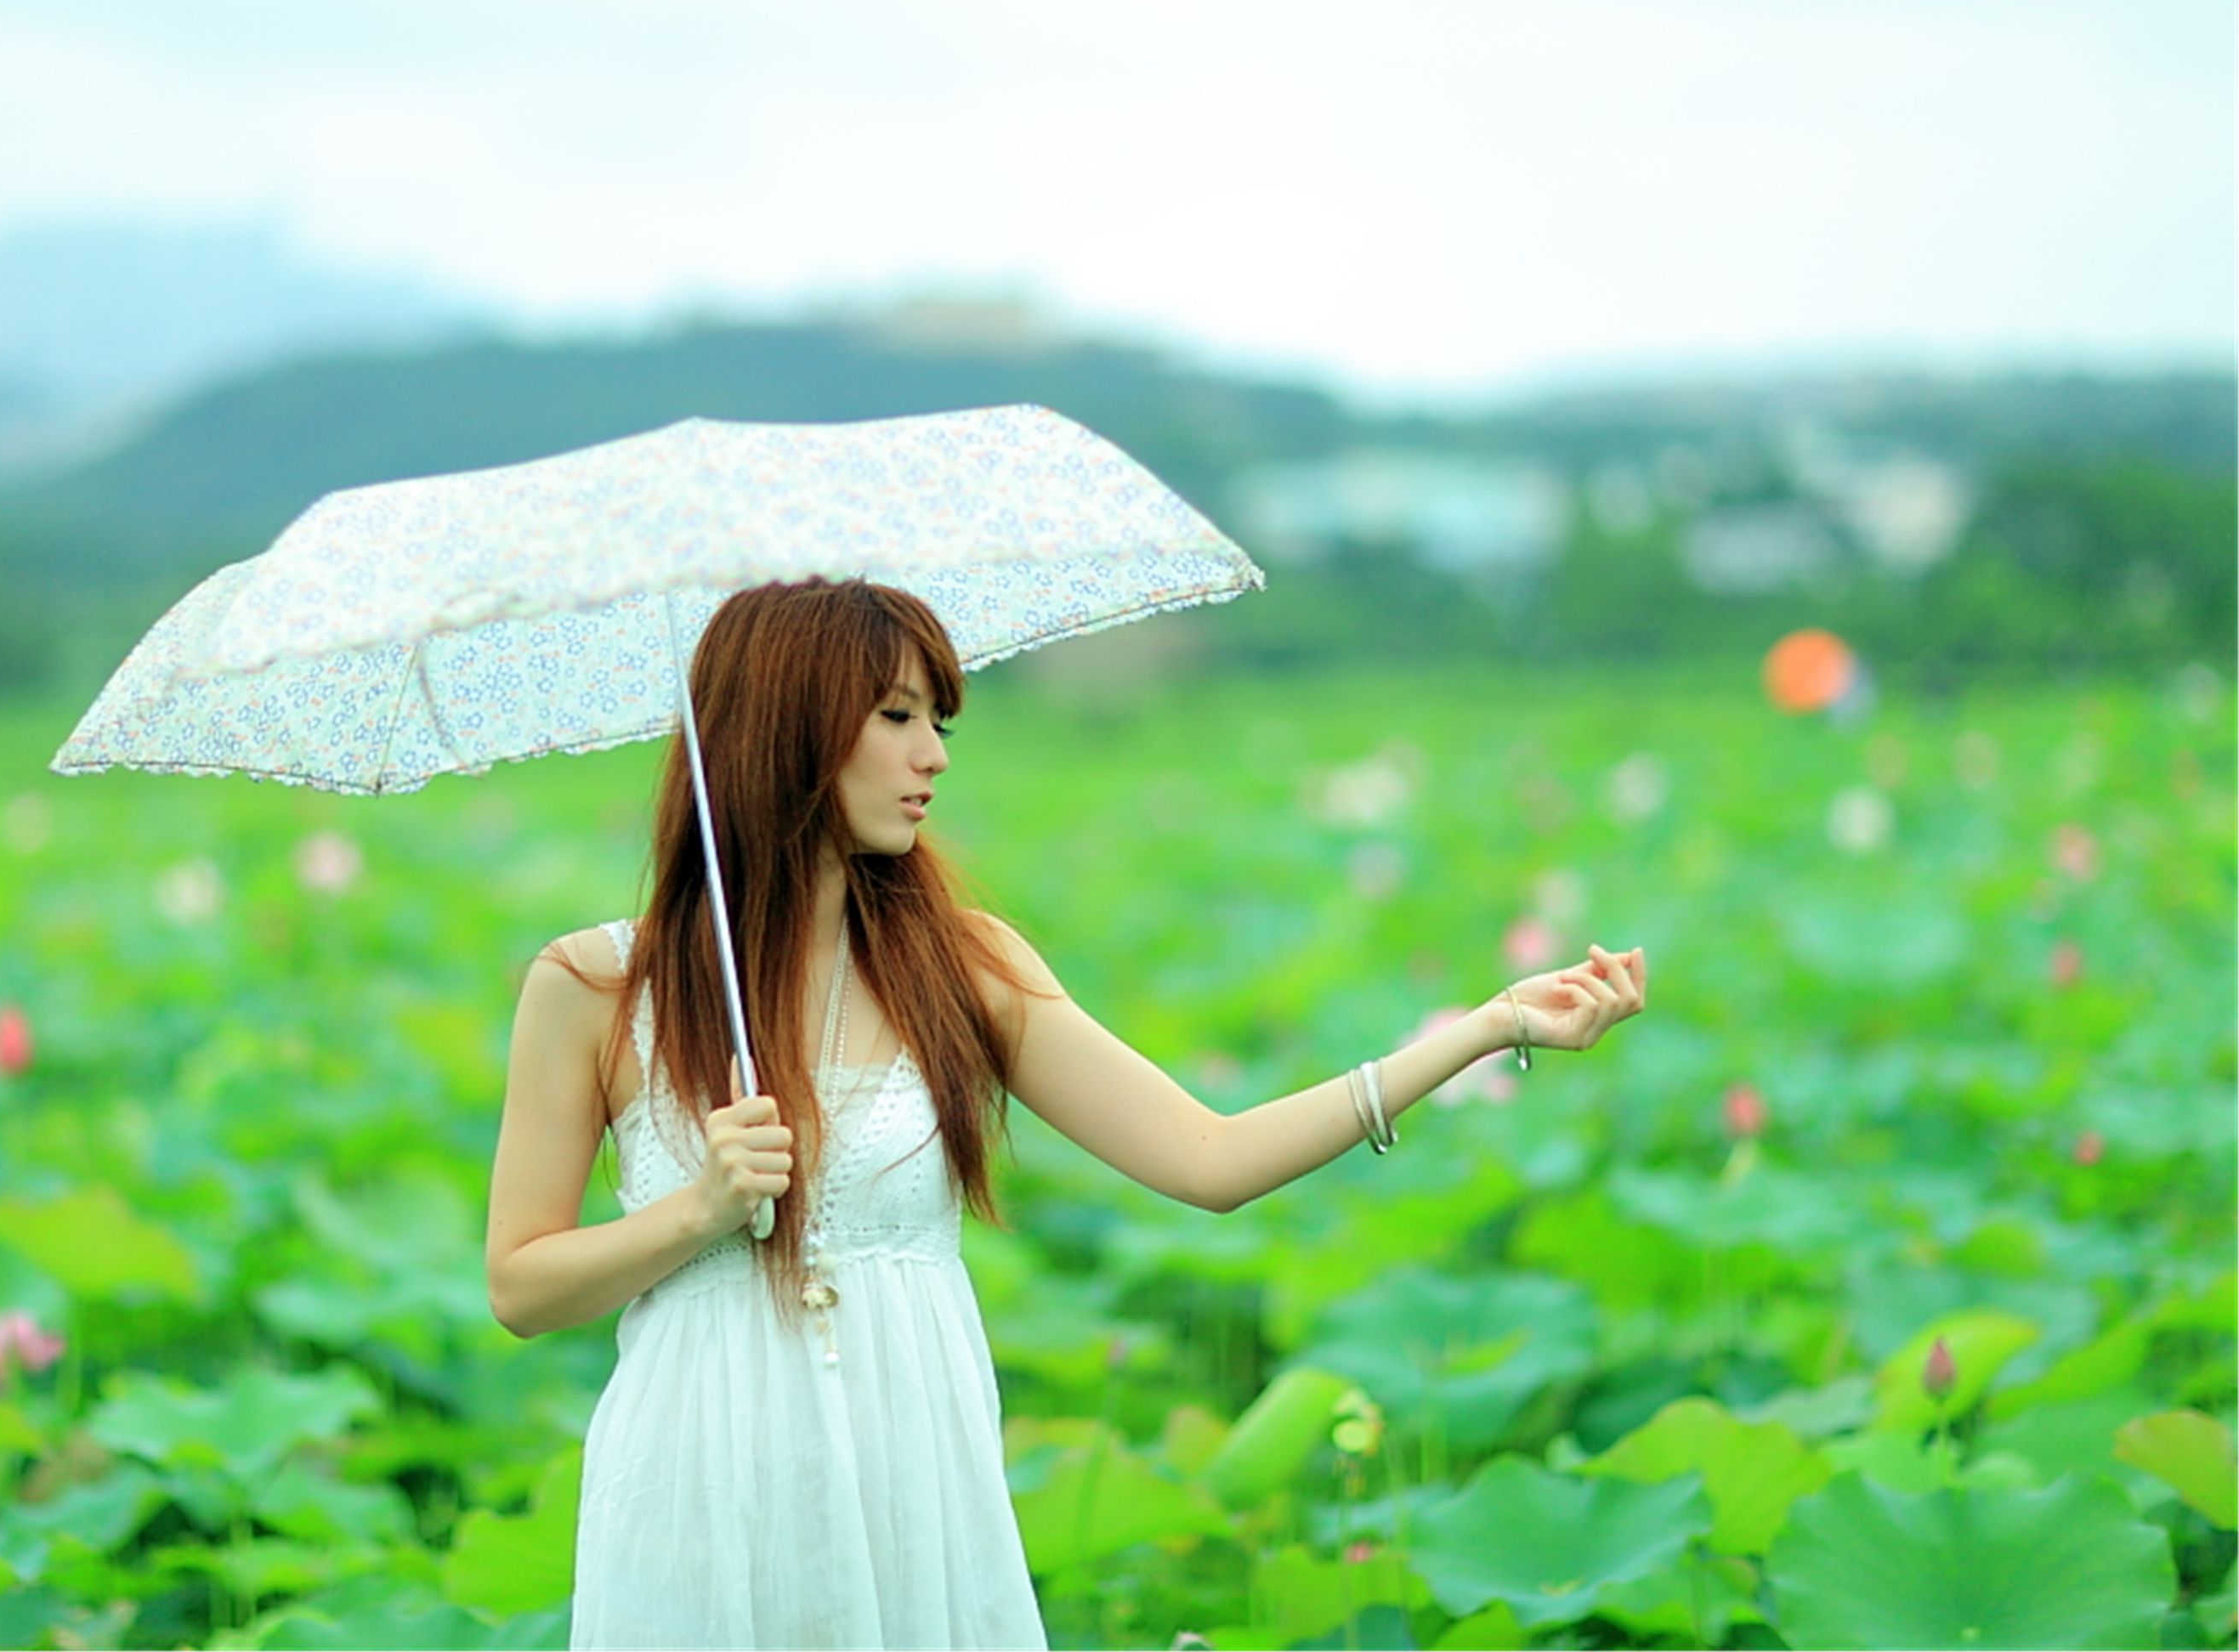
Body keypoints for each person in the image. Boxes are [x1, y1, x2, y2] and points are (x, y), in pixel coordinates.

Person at [485, 578, 1647, 1650]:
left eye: (939, 719)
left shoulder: (963, 967)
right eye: (896, 716)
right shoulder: (594, 989)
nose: (932, 755)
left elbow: (1212, 1158)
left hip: (914, 1481)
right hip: (698, 1482)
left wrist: (1482, 1029)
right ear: (786, 726)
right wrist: (699, 1209)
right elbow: (522, 1286)